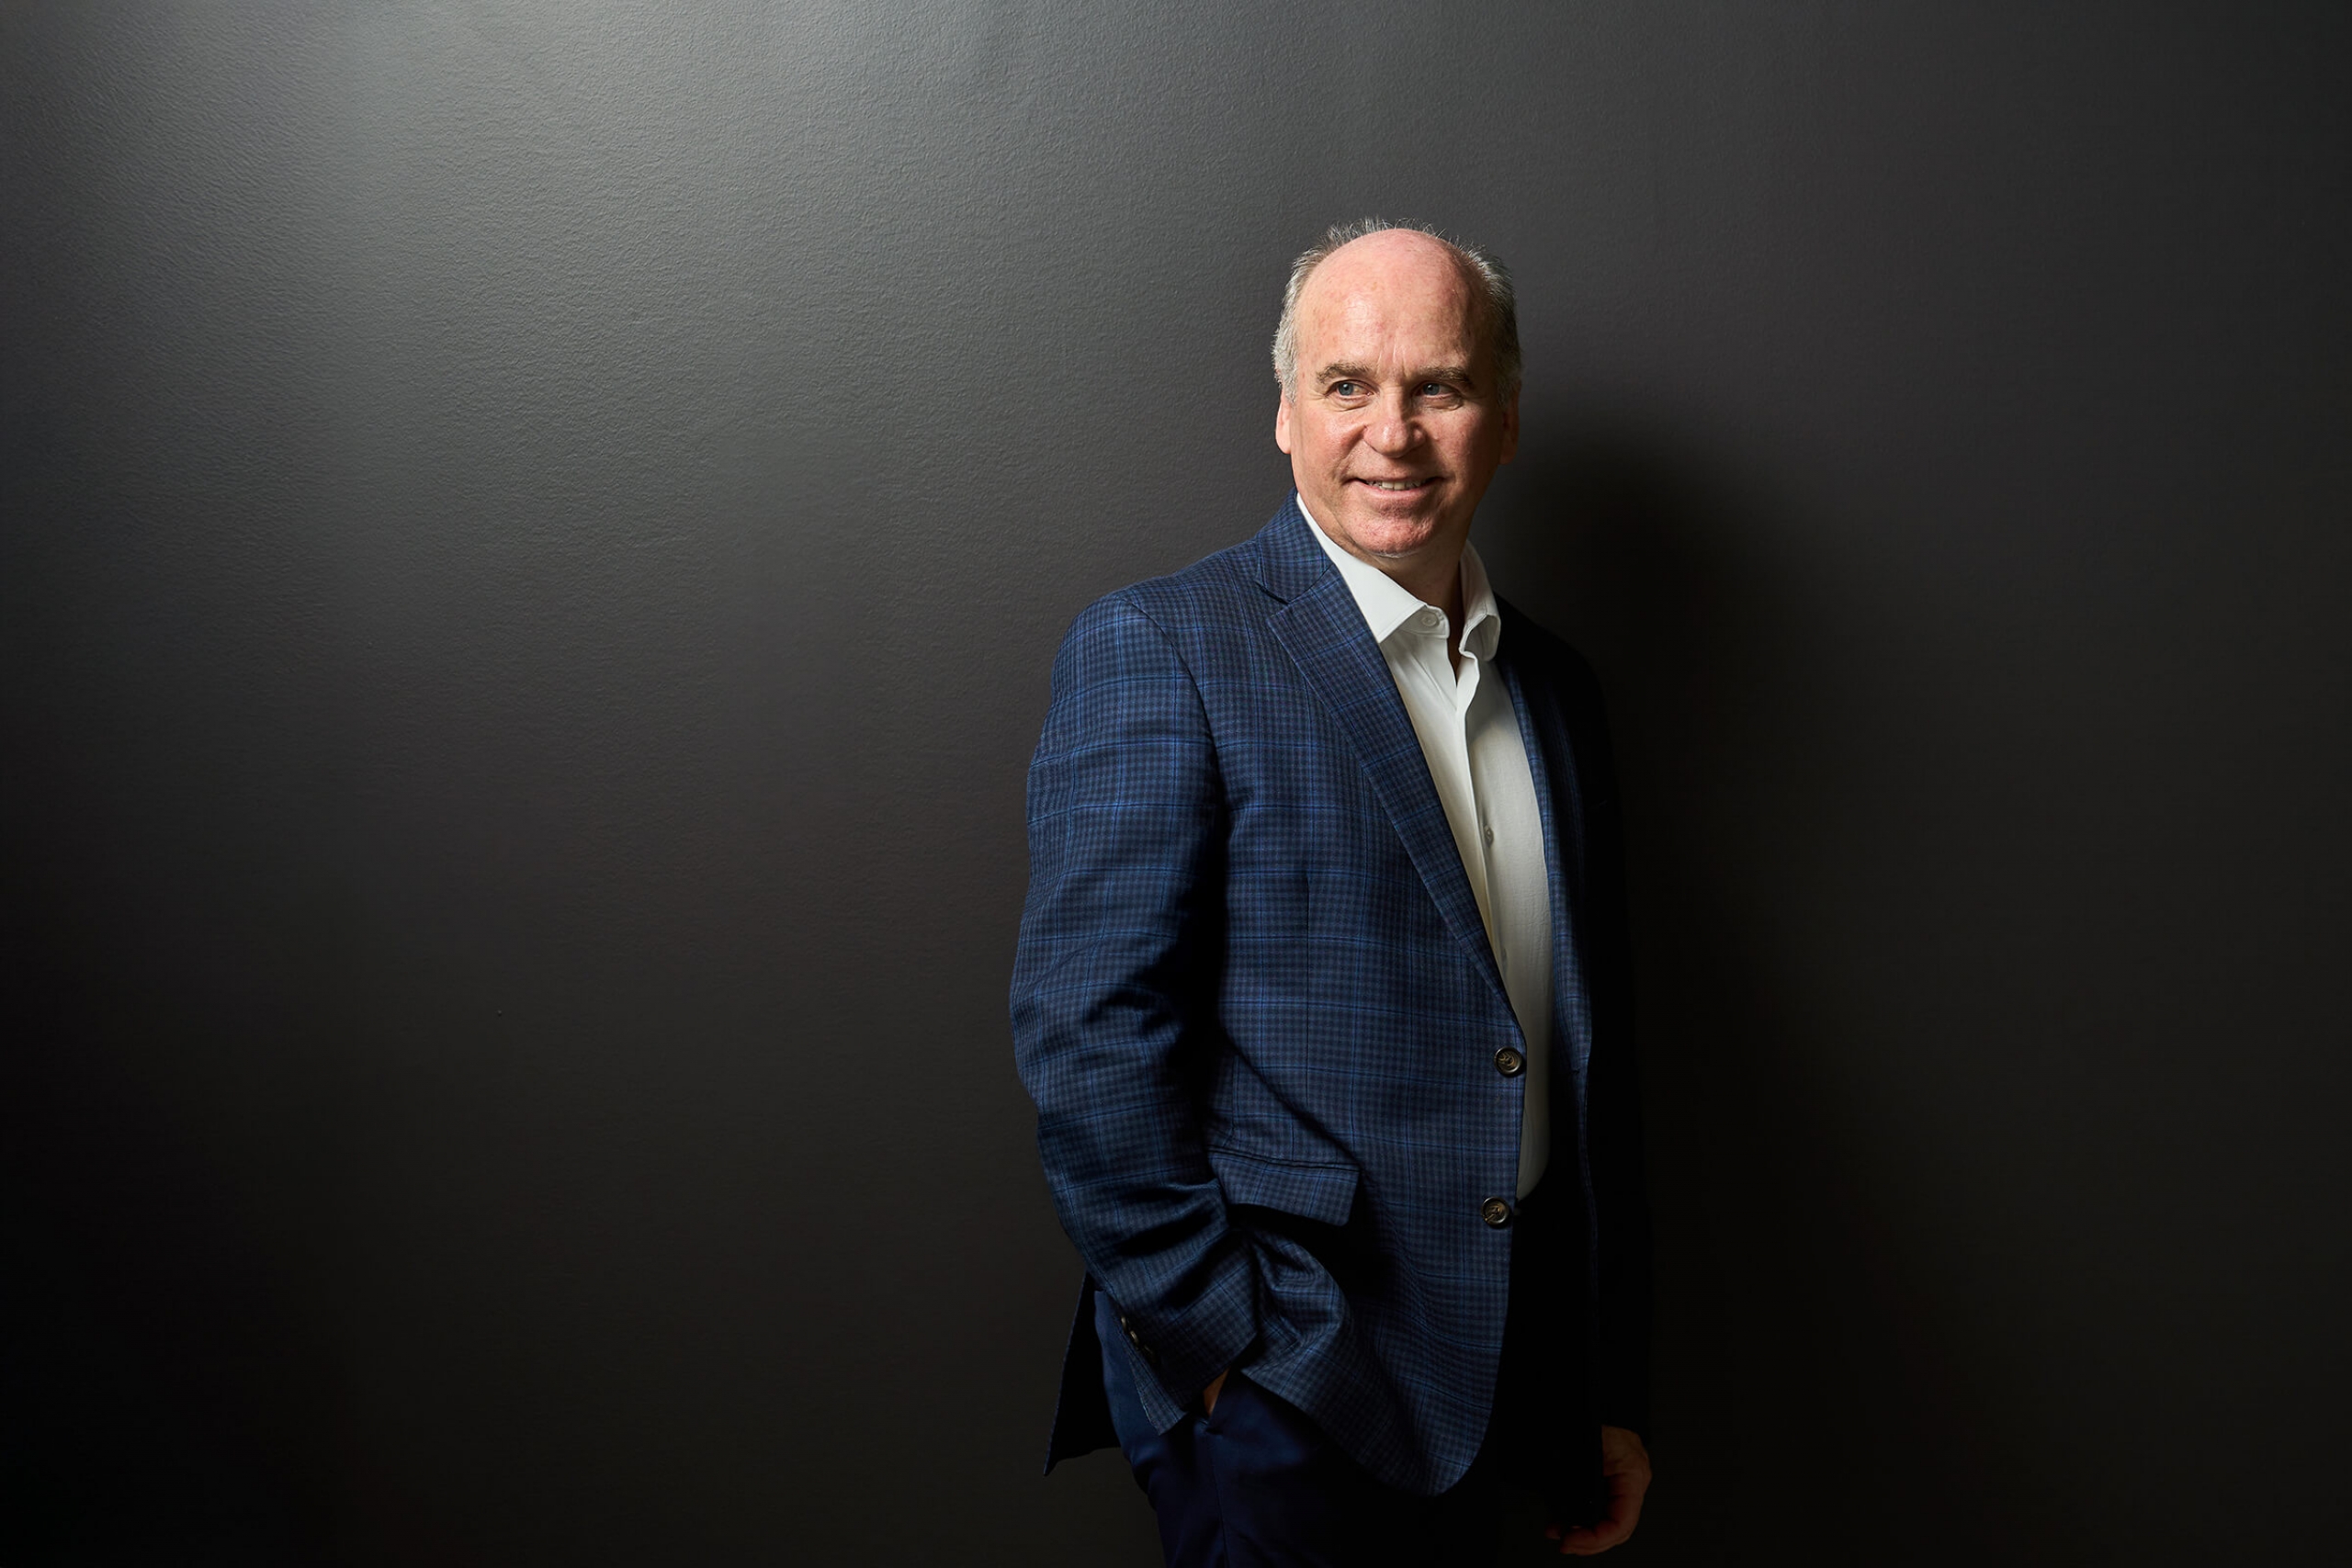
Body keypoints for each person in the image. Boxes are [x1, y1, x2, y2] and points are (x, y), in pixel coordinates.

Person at [1011, 219, 1652, 1563]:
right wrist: (1221, 1352)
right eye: (1348, 385)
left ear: (1506, 420)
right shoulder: (1165, 647)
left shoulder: (1558, 692)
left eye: (1440, 387)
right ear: (1286, 415)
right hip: (1288, 1380)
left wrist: (1597, 1383)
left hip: (1509, 1380)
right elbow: (1087, 1037)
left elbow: (1577, 1058)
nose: (1392, 434)